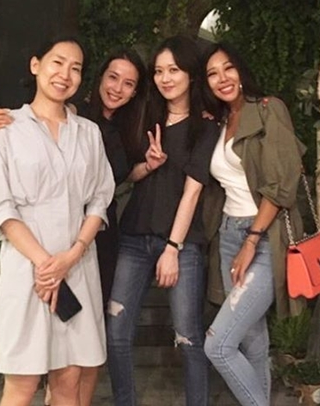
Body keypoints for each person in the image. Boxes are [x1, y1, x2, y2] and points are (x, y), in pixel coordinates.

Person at [0, 47, 148, 406]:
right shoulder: (5, 128)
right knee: (22, 383)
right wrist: (47, 265)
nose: (65, 74)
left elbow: (100, 198)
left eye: (75, 68)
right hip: (29, 270)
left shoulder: (88, 132)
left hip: (78, 266)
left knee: (69, 381)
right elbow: (1, 205)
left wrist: (71, 257)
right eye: (57, 63)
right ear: (35, 64)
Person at [106, 34, 219, 406]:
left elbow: (192, 192)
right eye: (158, 71)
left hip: (181, 244)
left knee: (188, 336)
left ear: (191, 74)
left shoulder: (206, 126)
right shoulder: (143, 116)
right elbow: (127, 175)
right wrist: (148, 165)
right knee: (117, 332)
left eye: (173, 70)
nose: (165, 78)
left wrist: (172, 248)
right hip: (134, 237)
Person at [202, 42, 304, 406]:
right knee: (253, 341)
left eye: (228, 68)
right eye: (212, 73)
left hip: (263, 237)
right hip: (229, 234)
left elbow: (282, 184)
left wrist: (252, 239)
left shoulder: (268, 109)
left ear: (241, 71)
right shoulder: (218, 122)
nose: (222, 78)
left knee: (218, 345)